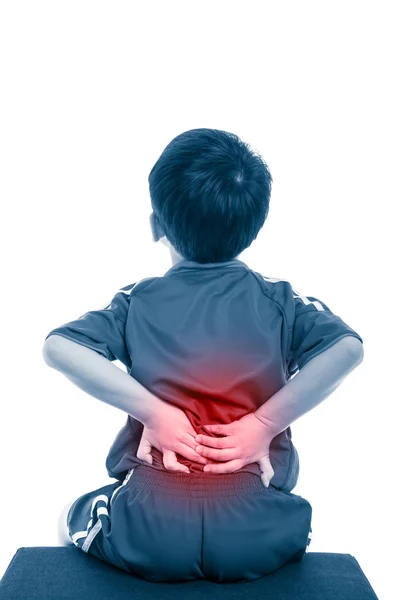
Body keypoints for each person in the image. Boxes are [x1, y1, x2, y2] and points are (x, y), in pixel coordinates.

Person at [43, 128, 364, 583]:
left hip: (150, 525)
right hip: (258, 528)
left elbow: (59, 346)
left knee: (70, 515)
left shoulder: (140, 300)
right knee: (287, 523)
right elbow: (347, 348)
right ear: (253, 229)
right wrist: (262, 425)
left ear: (156, 224)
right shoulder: (281, 301)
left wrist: (153, 412)